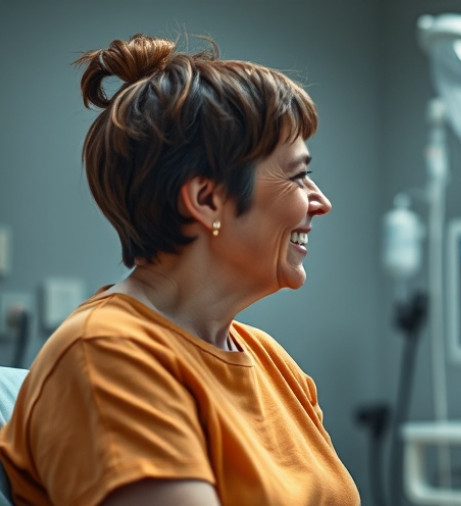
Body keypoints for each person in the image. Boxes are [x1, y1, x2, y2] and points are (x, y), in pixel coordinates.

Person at [0, 34, 360, 505]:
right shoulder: (108, 356)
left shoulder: (274, 363)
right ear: (207, 199)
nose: (322, 202)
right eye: (297, 175)